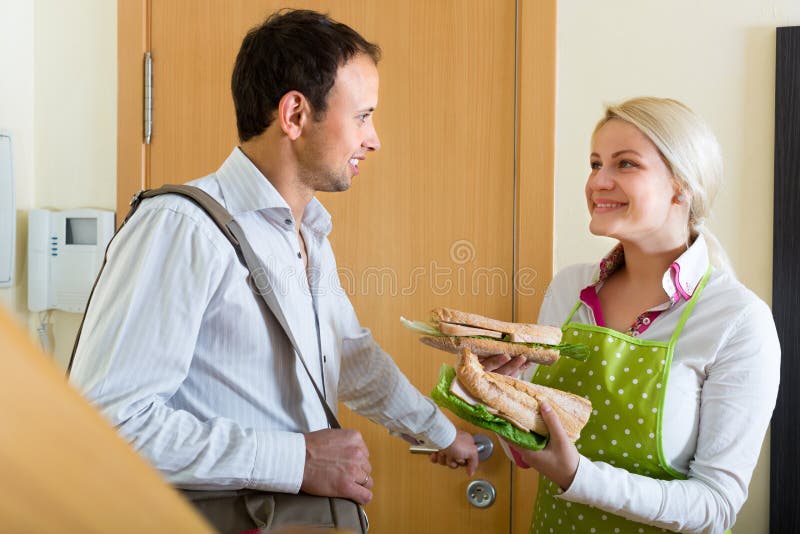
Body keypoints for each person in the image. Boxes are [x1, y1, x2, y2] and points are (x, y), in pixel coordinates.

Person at [69, 8, 477, 531]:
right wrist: (298, 460)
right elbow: (108, 422)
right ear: (295, 115)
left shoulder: (307, 234)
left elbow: (348, 354)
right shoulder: (180, 227)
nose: (373, 139)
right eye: (362, 116)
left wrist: (439, 432)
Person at [498, 97, 780, 533]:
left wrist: (577, 477)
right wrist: (499, 397)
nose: (598, 182)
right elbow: (531, 446)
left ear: (681, 185)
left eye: (624, 164)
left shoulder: (738, 321)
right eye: (595, 164)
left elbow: (717, 506)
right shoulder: (568, 289)